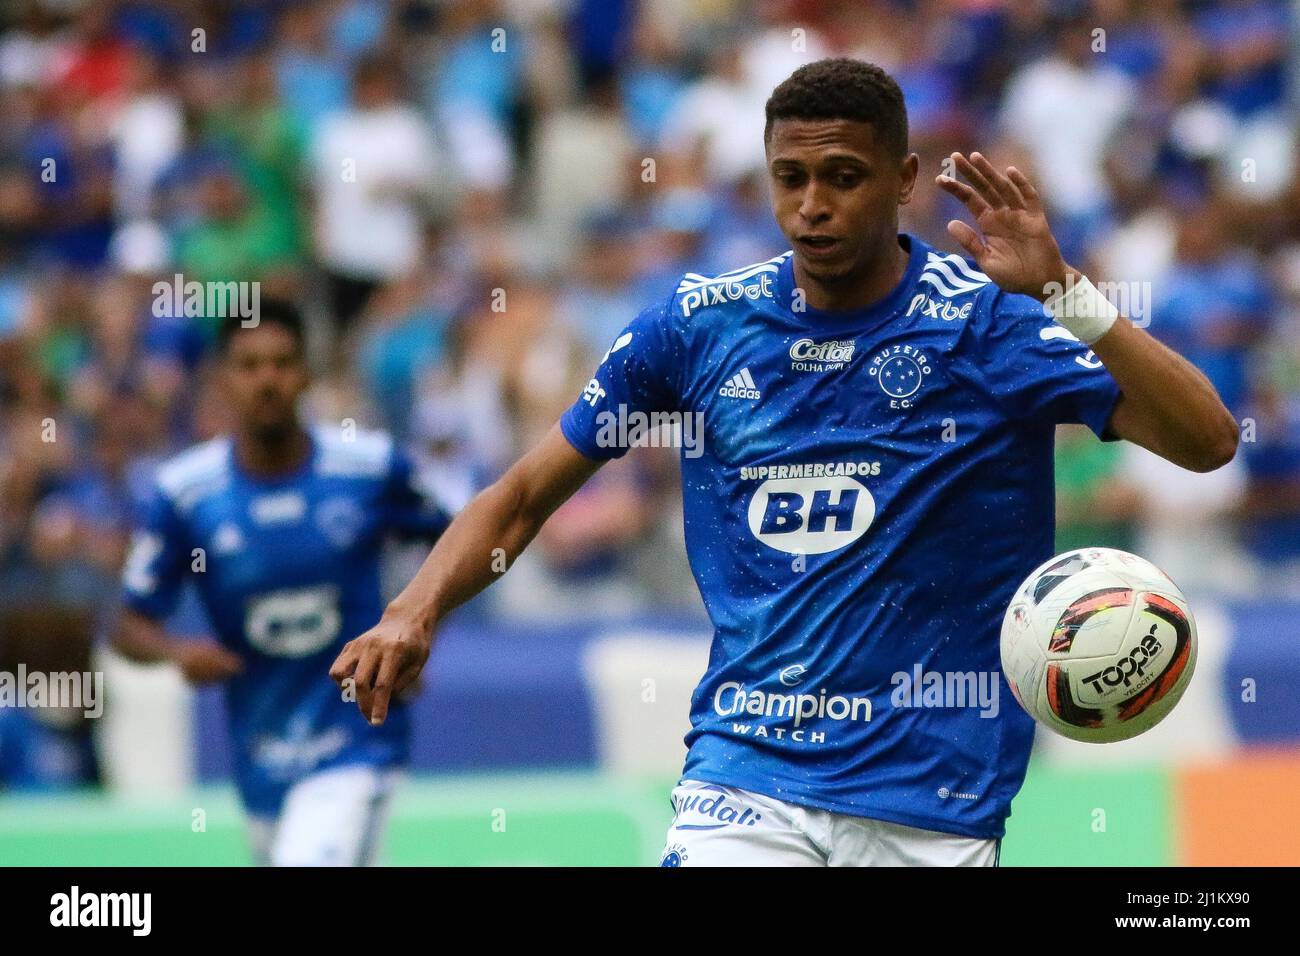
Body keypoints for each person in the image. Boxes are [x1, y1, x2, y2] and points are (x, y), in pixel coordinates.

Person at [330, 59, 1238, 866]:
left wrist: (1064, 293)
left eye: (843, 178)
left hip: (935, 802)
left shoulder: (988, 325)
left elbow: (1208, 443)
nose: (812, 205)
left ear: (903, 178)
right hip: (745, 781)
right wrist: (413, 612)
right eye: (790, 178)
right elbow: (525, 493)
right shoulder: (699, 326)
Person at [115, 300, 450, 865]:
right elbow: (128, 621)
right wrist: (177, 653)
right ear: (221, 379)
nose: (267, 380)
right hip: (262, 756)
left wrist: (418, 630)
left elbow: (460, 544)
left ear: (307, 373)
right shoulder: (185, 494)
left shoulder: (367, 468)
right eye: (248, 366)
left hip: (358, 743)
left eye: (282, 363)